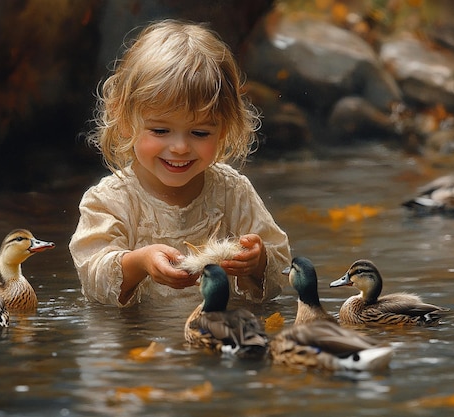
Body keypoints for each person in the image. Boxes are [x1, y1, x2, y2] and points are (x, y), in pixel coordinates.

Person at [69, 19, 291, 307]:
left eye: (200, 133)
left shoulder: (232, 192)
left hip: (219, 335)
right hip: (135, 342)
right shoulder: (109, 200)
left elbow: (282, 274)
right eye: (160, 131)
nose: (180, 147)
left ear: (223, 130)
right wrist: (140, 262)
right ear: (125, 122)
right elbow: (93, 278)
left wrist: (258, 261)